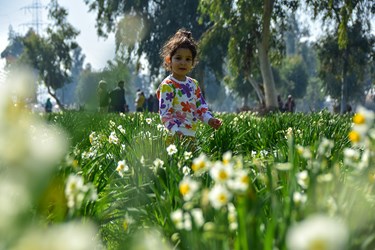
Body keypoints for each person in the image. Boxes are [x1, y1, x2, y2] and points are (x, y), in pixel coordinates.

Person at [157, 28, 222, 138]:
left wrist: (210, 120)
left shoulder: (193, 84)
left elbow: (201, 108)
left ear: (193, 63)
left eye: (188, 59)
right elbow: (165, 113)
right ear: (169, 60)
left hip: (192, 135)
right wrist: (175, 131)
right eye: (178, 58)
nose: (183, 62)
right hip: (174, 136)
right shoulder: (168, 85)